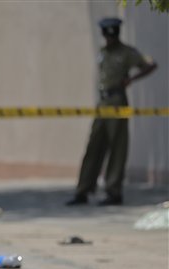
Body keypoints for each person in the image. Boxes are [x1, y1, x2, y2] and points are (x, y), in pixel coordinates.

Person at [66, 18, 157, 206]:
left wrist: (131, 79)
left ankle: (113, 191)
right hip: (103, 102)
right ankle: (83, 190)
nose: (109, 38)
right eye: (107, 35)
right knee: (94, 145)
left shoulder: (127, 53)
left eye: (112, 34)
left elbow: (150, 64)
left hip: (117, 100)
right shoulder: (103, 52)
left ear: (116, 34)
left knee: (117, 146)